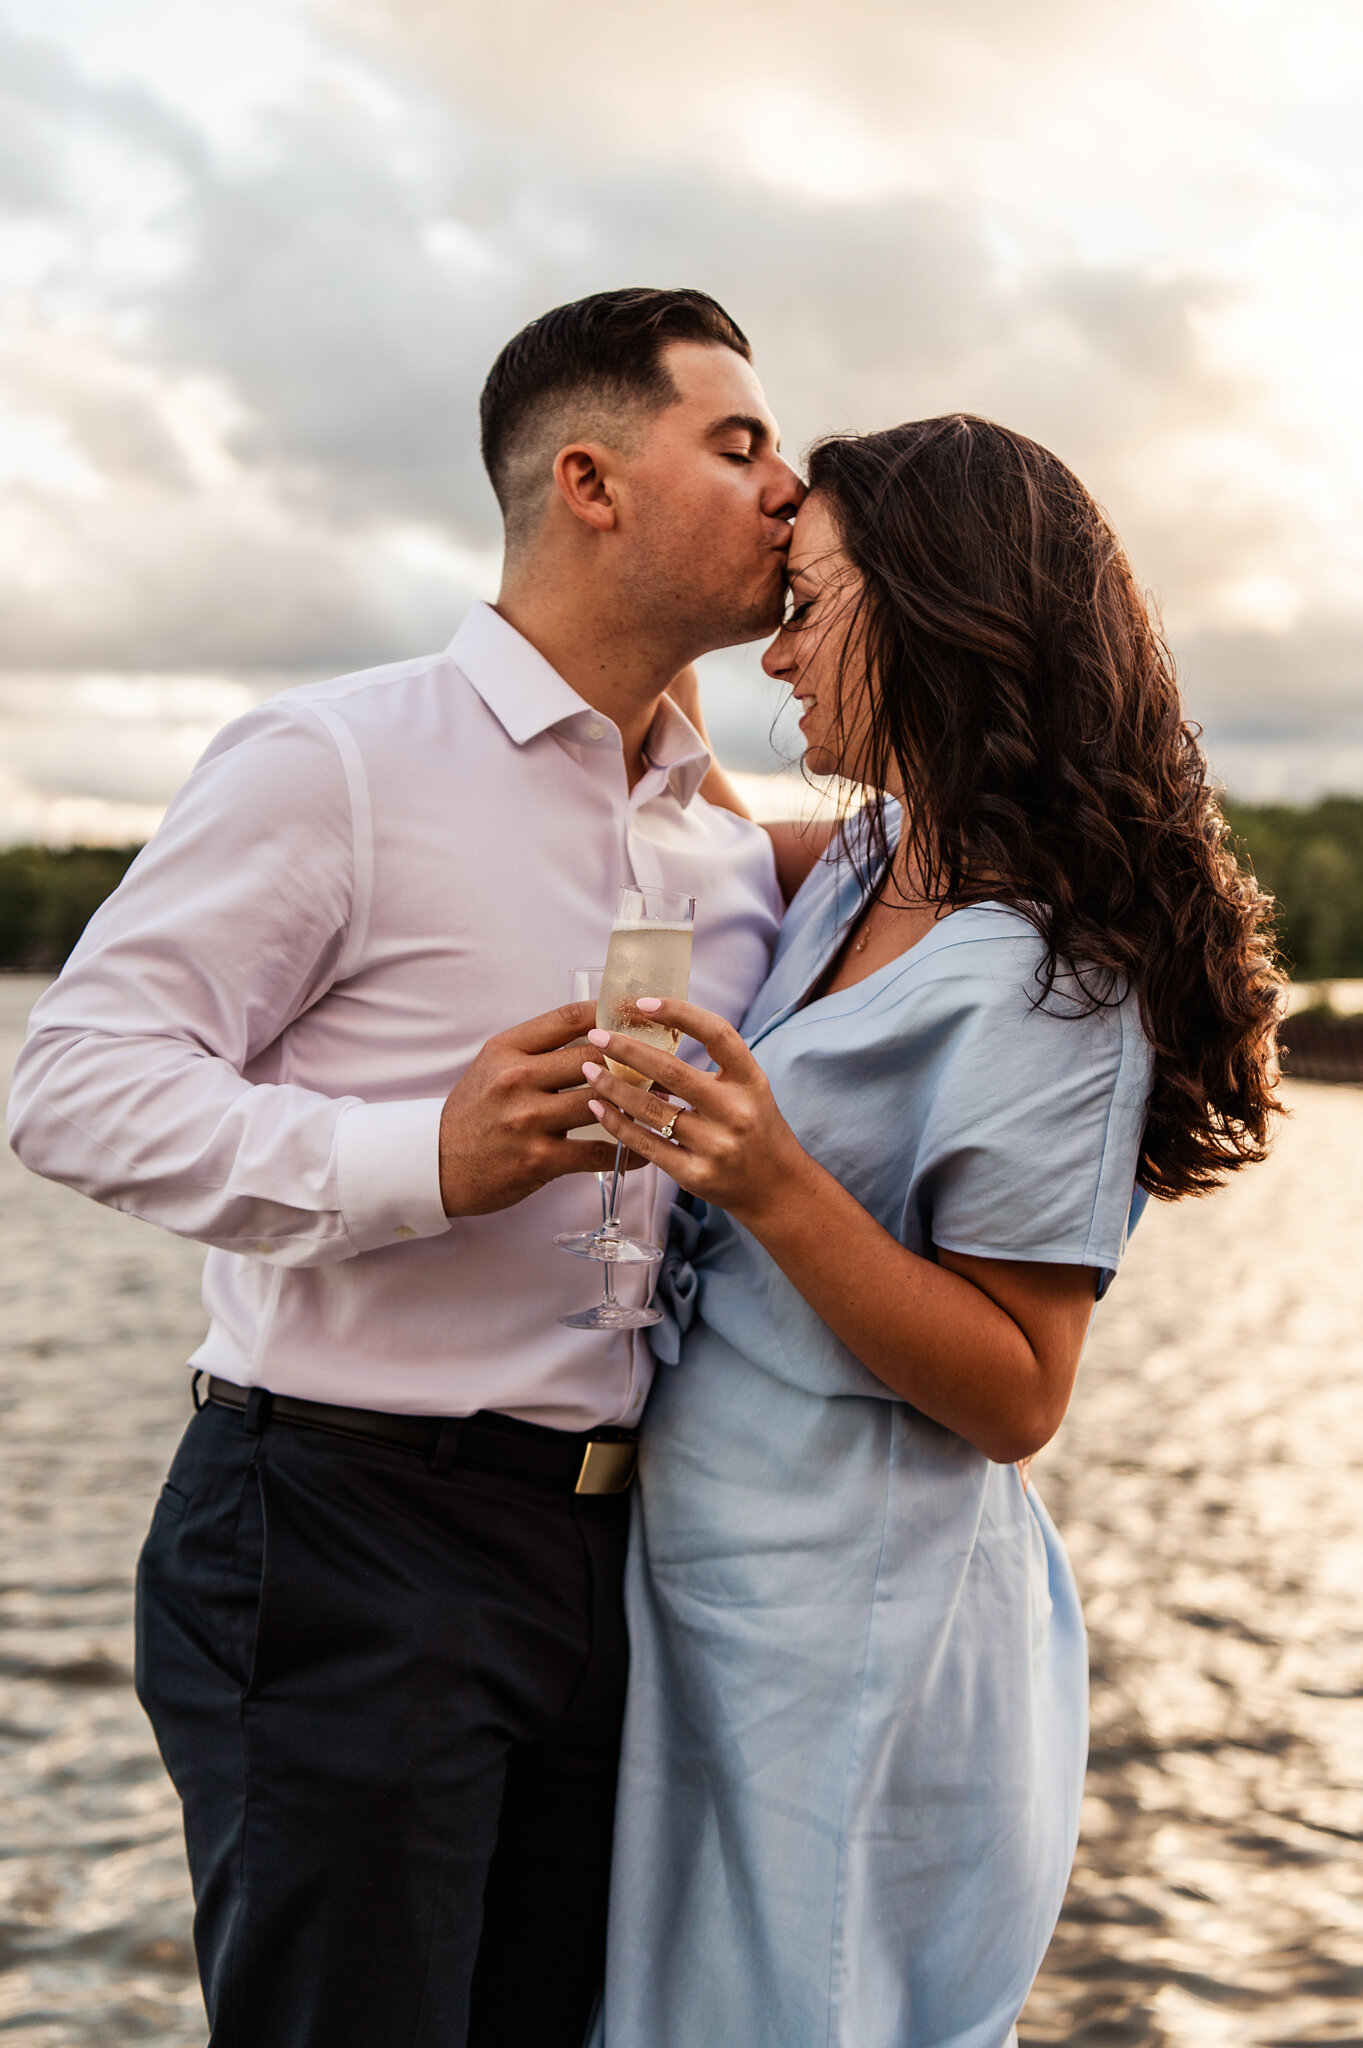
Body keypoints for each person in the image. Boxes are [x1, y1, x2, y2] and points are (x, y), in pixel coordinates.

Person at [6, 287, 805, 2048]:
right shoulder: (338, 761)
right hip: (341, 1537)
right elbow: (72, 1084)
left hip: (618, 1568)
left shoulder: (725, 843)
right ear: (589, 480)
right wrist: (419, 1157)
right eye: (739, 443)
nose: (789, 486)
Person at [577, 417, 1283, 2047]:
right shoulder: (876, 855)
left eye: (812, 601)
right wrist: (676, 506)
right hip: (717, 1584)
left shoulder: (1055, 975)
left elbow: (1020, 1389)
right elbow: (666, 794)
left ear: (940, 615)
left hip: (858, 1622)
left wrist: (766, 1180)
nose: (778, 646)